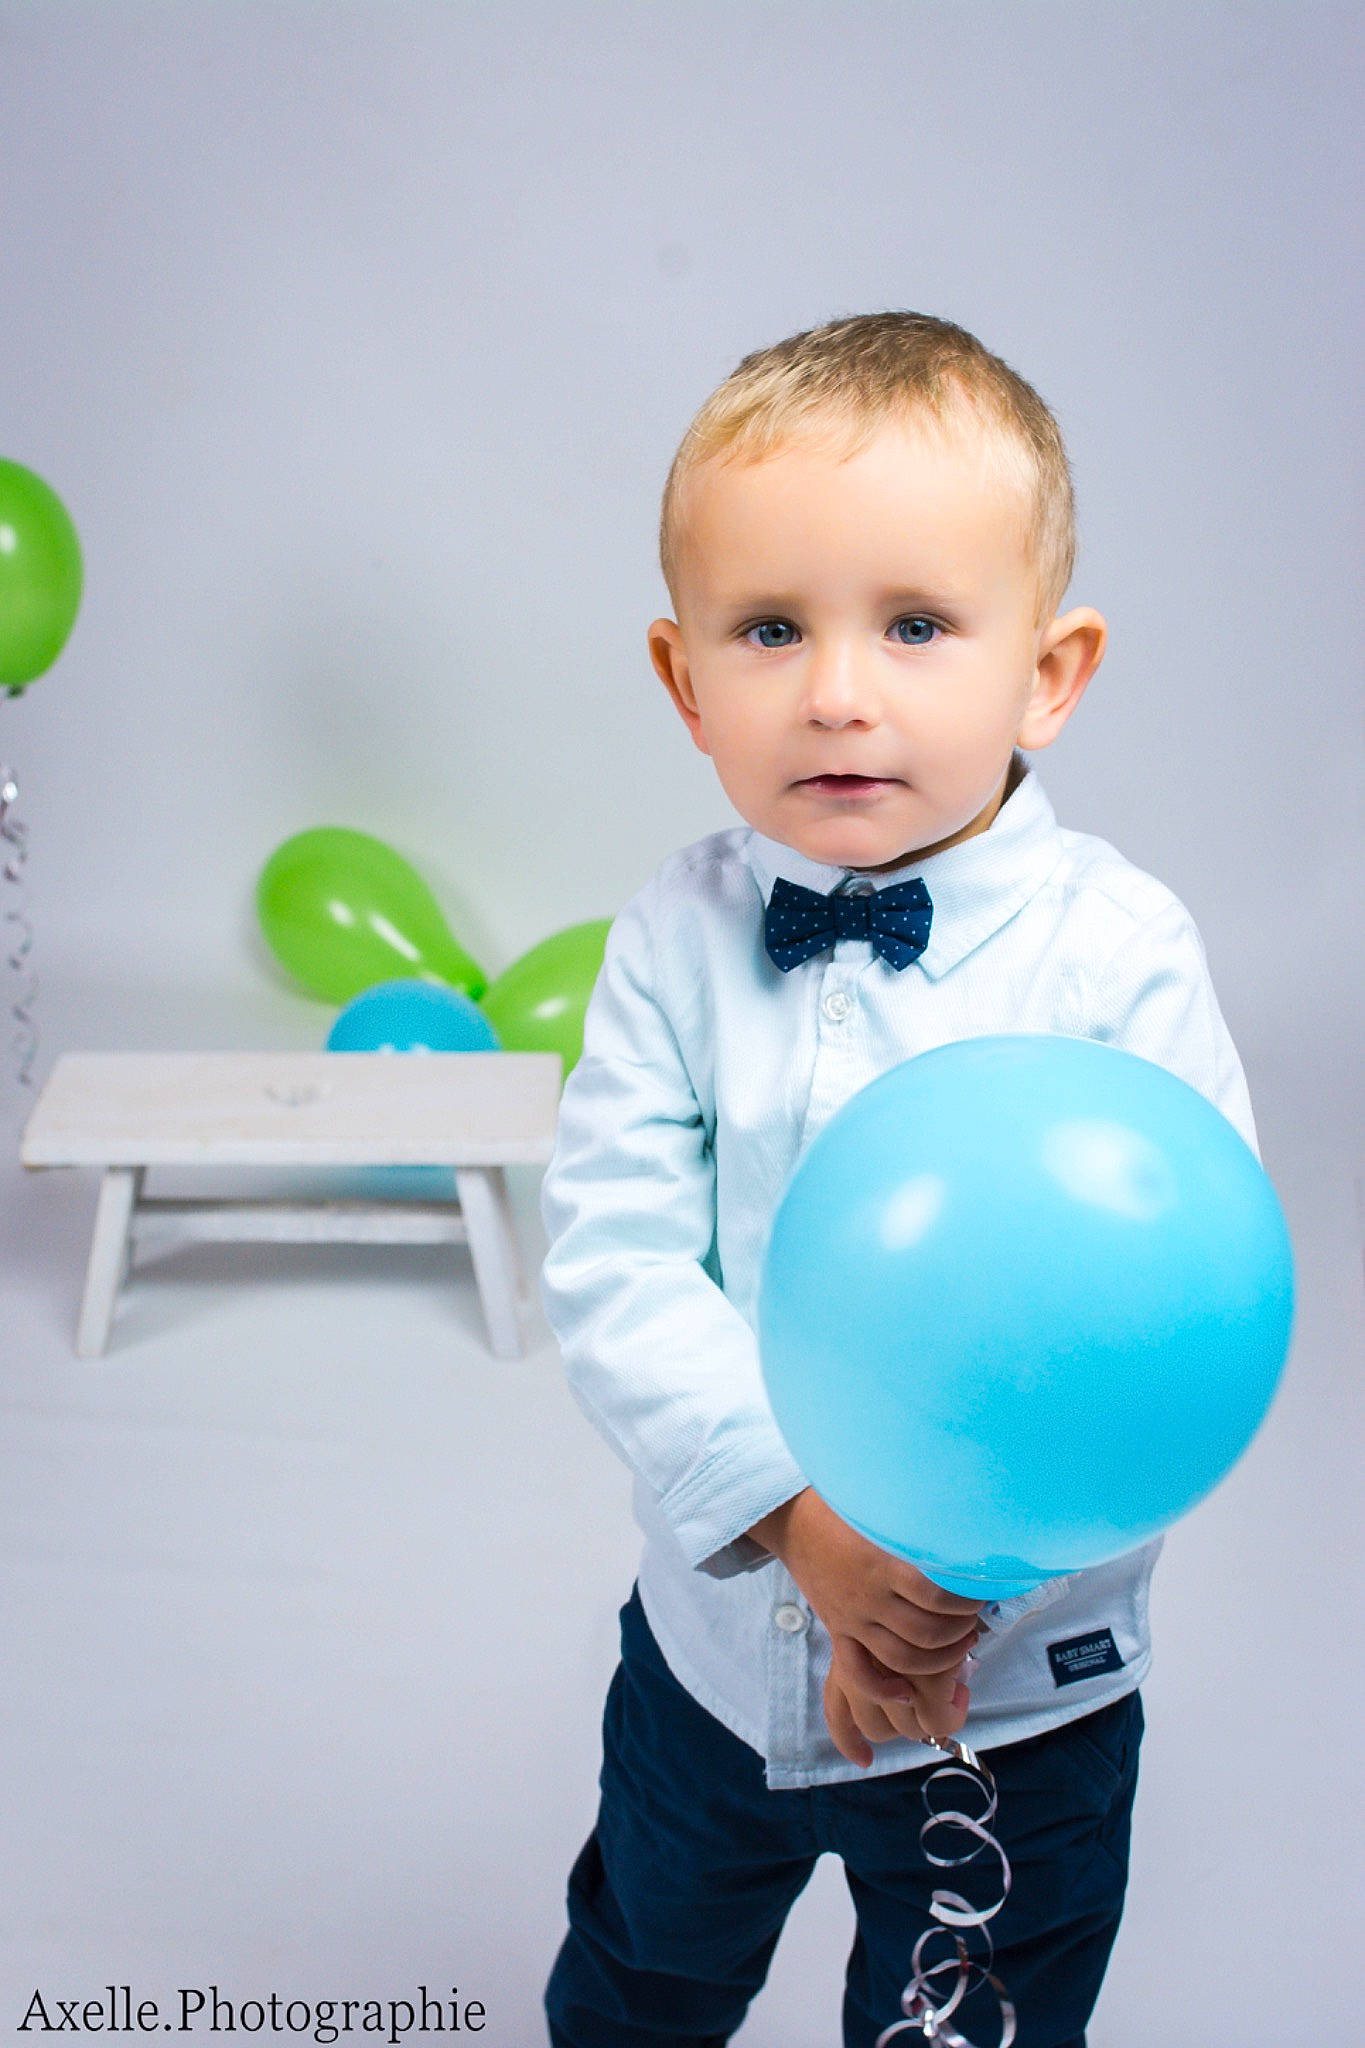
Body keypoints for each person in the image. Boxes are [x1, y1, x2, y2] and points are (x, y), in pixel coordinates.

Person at [536, 311, 1258, 2048]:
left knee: (969, 2028)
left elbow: (1171, 1315)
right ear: (681, 674)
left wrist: (933, 1599)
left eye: (918, 625)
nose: (838, 690)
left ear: (1049, 671)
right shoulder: (673, 936)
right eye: (770, 628)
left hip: (1011, 1708)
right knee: (640, 1978)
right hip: (712, 1673)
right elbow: (616, 1257)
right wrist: (800, 1518)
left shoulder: (1118, 955)